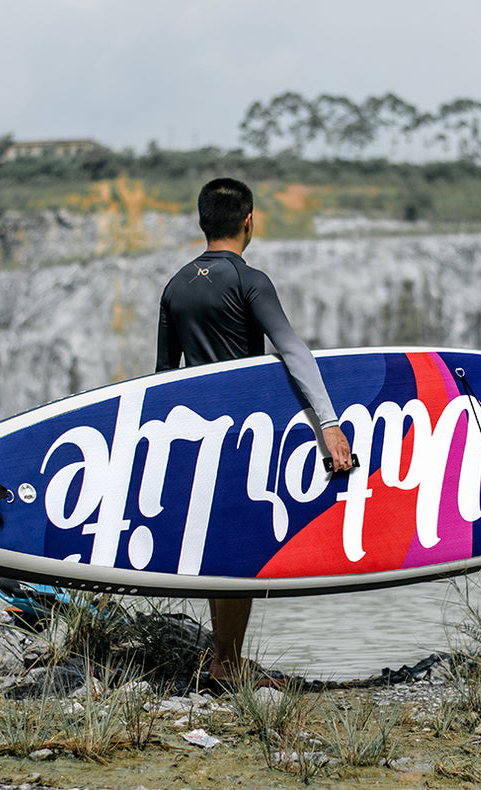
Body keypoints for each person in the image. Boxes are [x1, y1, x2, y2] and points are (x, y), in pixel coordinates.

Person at [156, 177, 352, 686]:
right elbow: (292, 350)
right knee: (239, 550)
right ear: (249, 221)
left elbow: (162, 380)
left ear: (202, 222)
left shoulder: (174, 286)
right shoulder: (251, 281)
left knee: (220, 546)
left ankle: (225, 659)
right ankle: (228, 662)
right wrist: (328, 423)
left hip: (193, 441)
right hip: (242, 437)